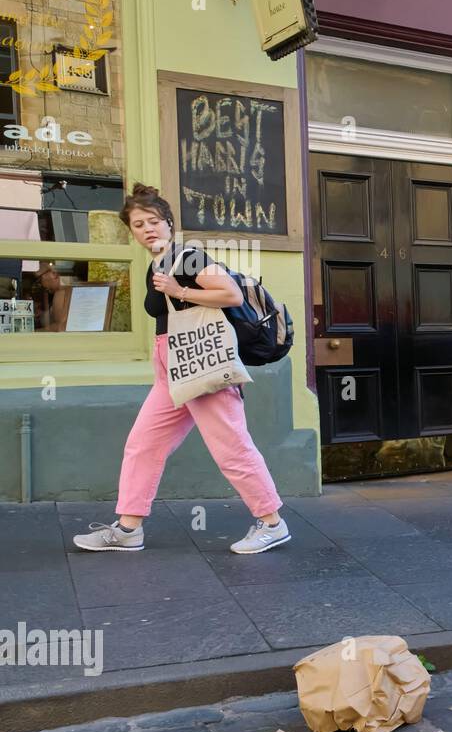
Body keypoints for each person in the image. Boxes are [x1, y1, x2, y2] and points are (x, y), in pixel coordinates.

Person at [73, 183, 290, 554]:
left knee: (231, 448)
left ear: (169, 223)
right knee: (143, 445)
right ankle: (128, 528)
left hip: (201, 364)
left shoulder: (186, 256)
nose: (147, 229)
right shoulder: (156, 263)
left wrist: (180, 291)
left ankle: (272, 522)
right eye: (139, 224)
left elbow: (231, 294)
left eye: (154, 221)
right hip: (171, 368)